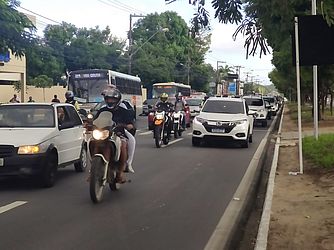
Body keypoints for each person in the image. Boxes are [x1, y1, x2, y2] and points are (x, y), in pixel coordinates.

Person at [94, 88, 135, 183]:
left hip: (118, 134)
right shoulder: (102, 110)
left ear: (117, 100)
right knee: (93, 143)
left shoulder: (123, 110)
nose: (110, 101)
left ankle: (120, 173)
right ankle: (93, 170)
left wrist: (128, 125)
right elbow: (95, 120)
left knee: (123, 145)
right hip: (103, 134)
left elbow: (130, 122)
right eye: (108, 99)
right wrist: (89, 124)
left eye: (112, 99)